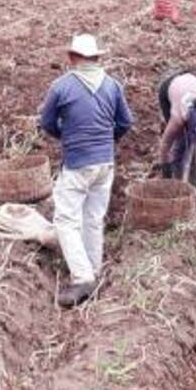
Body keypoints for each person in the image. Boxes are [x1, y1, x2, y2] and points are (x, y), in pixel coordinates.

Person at [39, 34, 132, 308]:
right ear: (97, 58)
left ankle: (81, 279)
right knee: (93, 216)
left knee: (66, 220)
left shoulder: (62, 86)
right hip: (105, 162)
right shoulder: (113, 85)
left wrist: (67, 136)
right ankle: (95, 268)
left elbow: (47, 123)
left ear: (71, 58)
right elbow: (125, 122)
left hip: (78, 161)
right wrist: (106, 140)